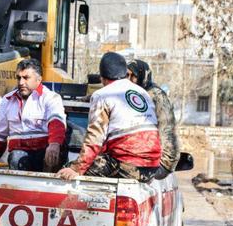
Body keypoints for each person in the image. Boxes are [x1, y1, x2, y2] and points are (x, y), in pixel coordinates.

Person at [57, 52, 161, 182]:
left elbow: (95, 138)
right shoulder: (142, 93)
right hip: (153, 167)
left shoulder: (102, 95)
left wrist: (76, 168)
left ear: (102, 77)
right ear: (125, 74)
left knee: (66, 172)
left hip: (128, 165)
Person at [0, 58, 67, 172]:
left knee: (51, 156)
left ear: (39, 79)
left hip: (46, 157)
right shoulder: (7, 100)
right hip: (18, 160)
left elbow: (56, 122)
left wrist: (54, 144)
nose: (21, 82)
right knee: (16, 157)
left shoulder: (50, 97)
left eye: (26, 78)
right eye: (18, 78)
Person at [127, 60, 180, 179]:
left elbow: (167, 131)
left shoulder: (155, 97)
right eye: (127, 75)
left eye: (133, 76)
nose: (129, 80)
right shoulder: (132, 94)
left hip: (159, 164)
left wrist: (164, 164)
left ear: (143, 76)